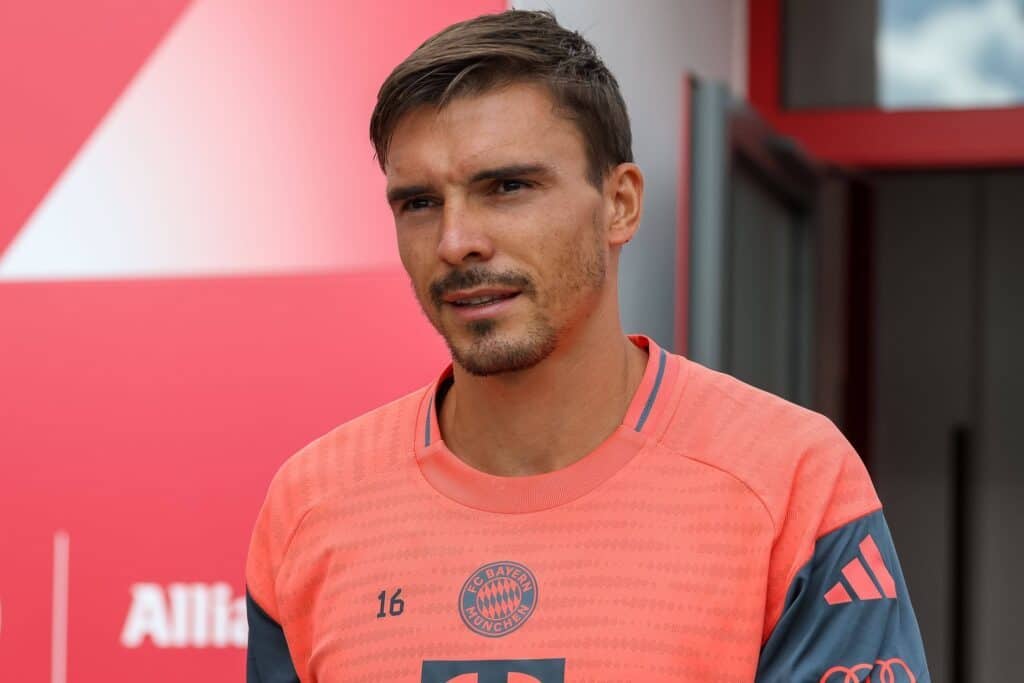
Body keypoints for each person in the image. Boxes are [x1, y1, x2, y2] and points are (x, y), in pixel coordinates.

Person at [245, 10, 929, 682]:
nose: (456, 242)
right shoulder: (312, 504)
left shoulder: (790, 480)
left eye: (508, 187)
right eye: (419, 203)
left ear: (620, 204)